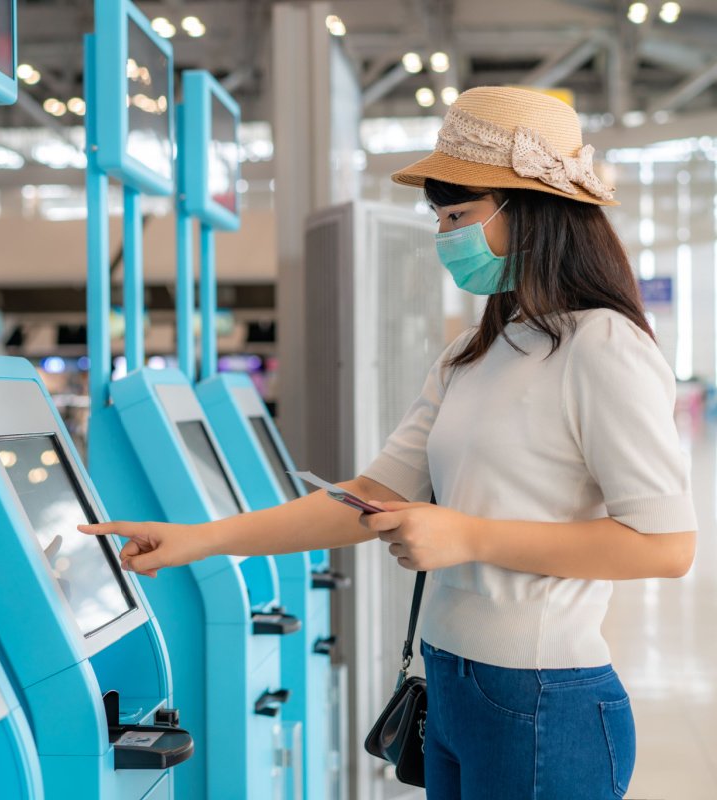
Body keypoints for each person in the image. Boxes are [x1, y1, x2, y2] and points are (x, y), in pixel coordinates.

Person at [79, 86, 697, 799]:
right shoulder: (474, 351)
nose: (444, 237)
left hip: (544, 701)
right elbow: (369, 496)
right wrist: (205, 539)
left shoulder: (603, 346)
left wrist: (468, 536)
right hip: (448, 685)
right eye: (437, 217)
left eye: (459, 215)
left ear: (531, 209)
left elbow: (663, 544)